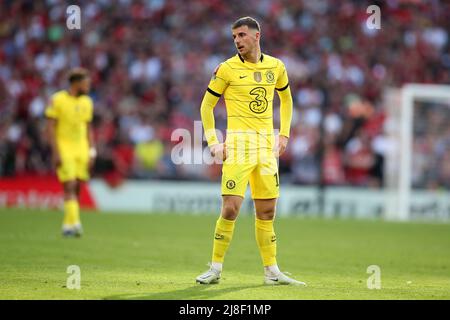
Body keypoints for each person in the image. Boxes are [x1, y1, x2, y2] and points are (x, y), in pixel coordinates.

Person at [196, 17, 306, 286]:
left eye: (242, 35)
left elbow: (287, 99)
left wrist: (284, 134)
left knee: (267, 212)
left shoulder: (276, 67)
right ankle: (215, 268)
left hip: (266, 148)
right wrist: (213, 142)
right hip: (238, 146)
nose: (237, 41)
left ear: (257, 36)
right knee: (231, 208)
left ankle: (271, 271)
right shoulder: (226, 69)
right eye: (234, 36)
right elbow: (206, 107)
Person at [45, 68, 96, 237]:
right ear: (76, 83)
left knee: (79, 186)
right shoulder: (57, 99)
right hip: (64, 146)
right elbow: (51, 127)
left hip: (82, 148)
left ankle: (69, 223)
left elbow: (89, 128)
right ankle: (75, 224)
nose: (88, 87)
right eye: (86, 84)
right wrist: (55, 151)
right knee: (70, 184)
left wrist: (92, 151)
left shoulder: (87, 102)